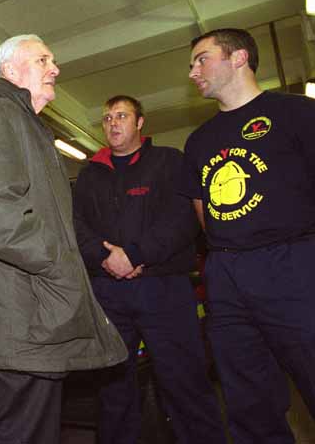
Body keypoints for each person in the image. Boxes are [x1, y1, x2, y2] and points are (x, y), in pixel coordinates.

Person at [182, 27, 315, 444]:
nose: (193, 71)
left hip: (297, 265)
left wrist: (310, 259)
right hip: (227, 277)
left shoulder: (305, 114)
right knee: (249, 408)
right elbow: (207, 216)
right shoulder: (198, 142)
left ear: (239, 58)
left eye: (202, 58)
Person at [0, 34, 127, 444]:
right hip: (17, 315)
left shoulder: (31, 130)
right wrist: (58, 263)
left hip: (34, 313)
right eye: (43, 59)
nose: (55, 68)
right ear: (10, 70)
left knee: (36, 433)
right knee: (18, 434)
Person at [73, 95, 227, 444]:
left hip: (164, 289)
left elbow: (182, 219)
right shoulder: (89, 175)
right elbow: (76, 226)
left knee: (185, 383)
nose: (113, 123)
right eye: (107, 117)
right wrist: (103, 256)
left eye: (122, 116)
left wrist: (136, 255)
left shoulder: (169, 162)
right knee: (113, 392)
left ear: (140, 123)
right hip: (107, 293)